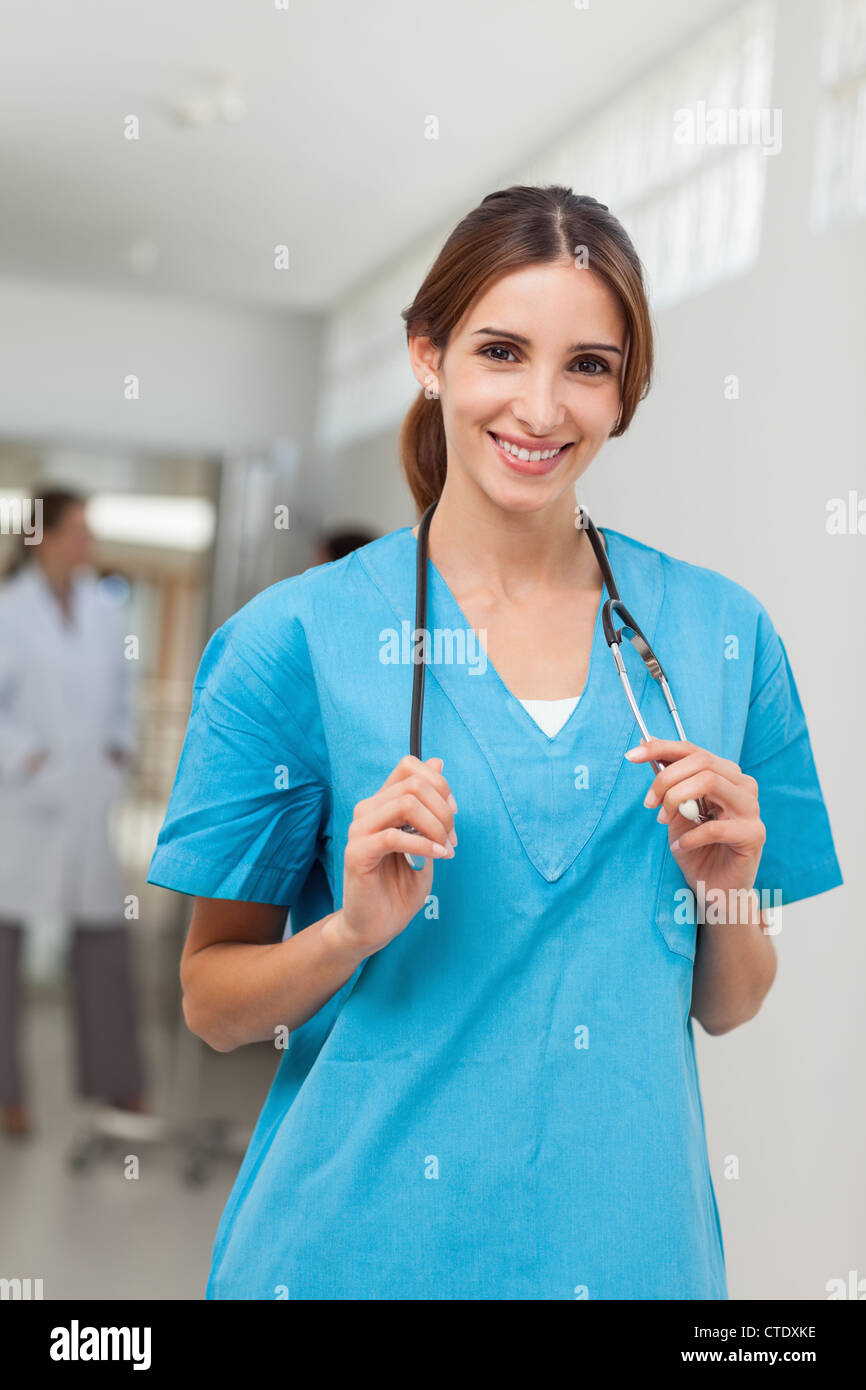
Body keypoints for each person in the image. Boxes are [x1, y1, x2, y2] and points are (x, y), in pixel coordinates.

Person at [147, 186, 843, 1300]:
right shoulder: (292, 640)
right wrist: (348, 932)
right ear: (428, 356)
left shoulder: (720, 638)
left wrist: (723, 892)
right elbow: (212, 1002)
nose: (539, 406)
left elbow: (727, 1000)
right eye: (501, 351)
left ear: (625, 392)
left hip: (629, 1255)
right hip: (353, 1255)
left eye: (587, 365)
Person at [0, 488, 147, 1136]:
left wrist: (119, 748)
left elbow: (124, 692)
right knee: (4, 950)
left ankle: (118, 1086)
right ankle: (8, 1098)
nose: (89, 543)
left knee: (103, 945)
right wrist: (27, 758)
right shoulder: (8, 610)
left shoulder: (104, 609)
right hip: (21, 803)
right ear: (46, 536)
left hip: (88, 798)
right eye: (79, 530)